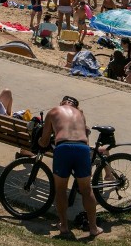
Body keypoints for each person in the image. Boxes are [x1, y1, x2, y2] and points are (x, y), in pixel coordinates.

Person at [37, 96, 104, 236]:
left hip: (63, 148)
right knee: (86, 190)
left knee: (61, 189)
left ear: (62, 103)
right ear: (75, 106)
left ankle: (64, 226)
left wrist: (40, 141)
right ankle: (93, 228)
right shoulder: (81, 114)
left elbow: (44, 141)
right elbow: (86, 137)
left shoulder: (54, 111)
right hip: (81, 149)